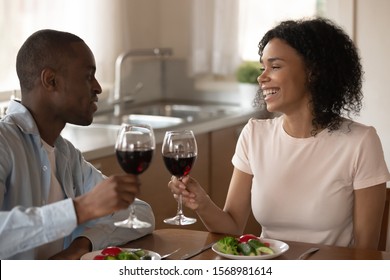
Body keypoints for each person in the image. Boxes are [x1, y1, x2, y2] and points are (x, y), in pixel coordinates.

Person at [168, 18, 390, 250]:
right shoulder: (255, 135)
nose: (262, 77)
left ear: (313, 71)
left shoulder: (360, 142)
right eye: (262, 67)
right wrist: (201, 201)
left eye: (275, 66)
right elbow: (232, 227)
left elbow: (366, 253)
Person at [0, 29, 155, 260]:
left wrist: (81, 245)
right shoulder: (4, 142)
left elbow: (141, 214)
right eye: (88, 76)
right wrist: (81, 209)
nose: (98, 87)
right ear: (50, 80)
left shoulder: (67, 155)